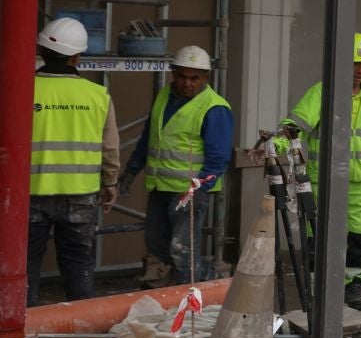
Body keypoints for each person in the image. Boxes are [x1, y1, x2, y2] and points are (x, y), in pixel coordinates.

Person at [282, 33, 361, 301]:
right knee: (320, 238)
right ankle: (318, 289)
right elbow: (295, 127)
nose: (360, 70)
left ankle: (352, 287)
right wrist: (274, 146)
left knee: (358, 237)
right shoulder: (322, 91)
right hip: (324, 181)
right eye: (355, 64)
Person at [14, 18, 121, 303]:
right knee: (78, 265)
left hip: (30, 192)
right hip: (80, 195)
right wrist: (110, 183)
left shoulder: (20, 89)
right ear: (77, 56)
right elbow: (110, 147)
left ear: (42, 52)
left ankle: (22, 329)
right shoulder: (98, 96)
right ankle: (84, 329)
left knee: (23, 267)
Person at [119, 45, 231, 287]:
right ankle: (193, 285)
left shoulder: (214, 107)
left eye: (194, 78)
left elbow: (218, 158)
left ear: (205, 77)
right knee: (158, 243)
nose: (187, 83)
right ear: (173, 73)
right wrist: (131, 171)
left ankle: (190, 296)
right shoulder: (164, 96)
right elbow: (149, 138)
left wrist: (198, 189)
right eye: (182, 76)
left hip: (189, 191)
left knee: (183, 250)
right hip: (161, 187)